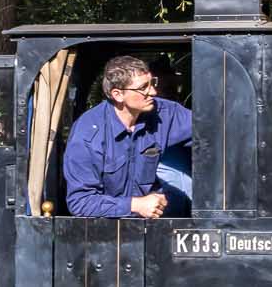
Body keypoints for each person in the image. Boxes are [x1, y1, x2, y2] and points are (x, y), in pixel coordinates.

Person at [63, 54, 193, 218]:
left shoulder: (165, 113)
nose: (153, 92)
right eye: (143, 88)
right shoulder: (88, 133)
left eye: (152, 83)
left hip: (155, 226)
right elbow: (80, 202)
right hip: (106, 232)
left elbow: (211, 132)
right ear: (117, 94)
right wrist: (135, 205)